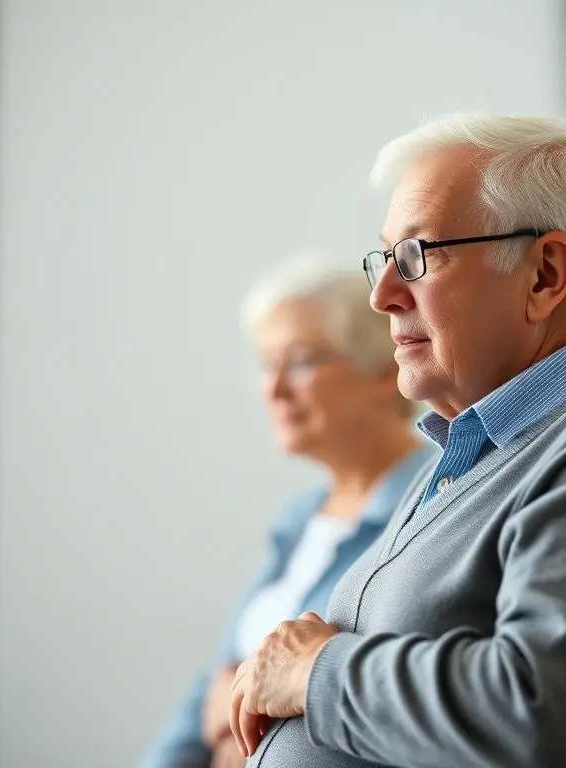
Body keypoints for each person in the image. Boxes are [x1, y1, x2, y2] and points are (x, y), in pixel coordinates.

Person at [227, 114, 566, 768]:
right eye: (384, 258)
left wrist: (318, 671)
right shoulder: (472, 450)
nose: (383, 295)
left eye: (415, 255)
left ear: (544, 274)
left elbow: (543, 719)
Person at [138, 263, 431, 768]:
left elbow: (387, 700)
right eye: (265, 365)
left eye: (299, 362)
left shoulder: (428, 508)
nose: (273, 389)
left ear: (384, 373)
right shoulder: (298, 520)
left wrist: (241, 718)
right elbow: (212, 687)